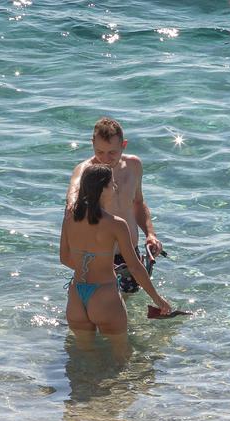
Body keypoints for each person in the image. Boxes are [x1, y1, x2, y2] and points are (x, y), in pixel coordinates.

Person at [61, 164, 170, 354]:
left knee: (82, 358)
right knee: (121, 356)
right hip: (104, 297)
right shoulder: (116, 224)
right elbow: (135, 268)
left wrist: (94, 265)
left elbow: (64, 258)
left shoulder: (70, 219)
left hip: (76, 296)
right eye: (112, 184)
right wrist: (158, 300)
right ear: (103, 189)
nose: (116, 188)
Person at [65, 116, 164, 295]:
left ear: (123, 145)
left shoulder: (133, 165)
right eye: (99, 151)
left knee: (128, 308)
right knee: (103, 309)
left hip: (130, 255)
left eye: (112, 152)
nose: (105, 158)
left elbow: (138, 202)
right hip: (100, 258)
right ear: (92, 143)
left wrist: (150, 234)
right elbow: (72, 195)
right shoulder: (85, 171)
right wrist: (72, 201)